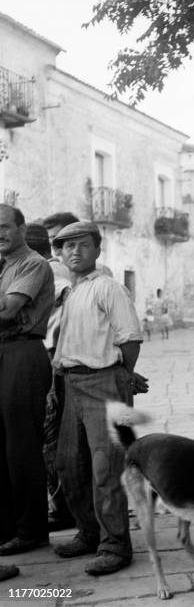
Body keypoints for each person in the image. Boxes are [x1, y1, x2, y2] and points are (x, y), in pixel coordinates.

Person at [51, 222, 144, 576]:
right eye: (67, 246)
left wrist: (121, 378)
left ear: (97, 250)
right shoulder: (71, 293)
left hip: (103, 383)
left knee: (106, 466)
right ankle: (89, 533)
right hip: (72, 384)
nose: (75, 252)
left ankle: (116, 545)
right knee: (68, 464)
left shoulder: (107, 287)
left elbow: (130, 339)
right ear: (59, 254)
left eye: (82, 245)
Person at [0, 205, 54, 557]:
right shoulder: (4, 267)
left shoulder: (33, 263)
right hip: (4, 351)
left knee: (22, 446)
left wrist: (5, 306)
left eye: (5, 227)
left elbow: (7, 312)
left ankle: (33, 530)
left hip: (22, 353)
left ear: (21, 228)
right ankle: (8, 528)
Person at [25, 224, 75, 533]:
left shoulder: (50, 275)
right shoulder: (60, 272)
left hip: (53, 362)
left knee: (51, 439)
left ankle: (63, 507)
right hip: (62, 361)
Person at [42, 212, 113, 277]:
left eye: (56, 237)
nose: (52, 243)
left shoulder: (101, 271)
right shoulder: (50, 269)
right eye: (49, 238)